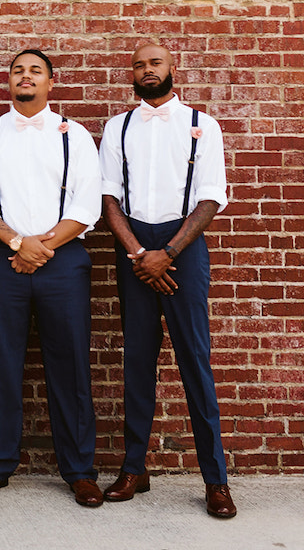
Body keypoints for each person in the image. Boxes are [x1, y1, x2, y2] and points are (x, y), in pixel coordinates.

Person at [0, 50, 104, 507]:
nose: (26, 76)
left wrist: (41, 246)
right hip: (4, 261)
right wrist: (19, 245)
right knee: (0, 362)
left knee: (71, 366)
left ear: (50, 82)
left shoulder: (75, 137)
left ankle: (79, 470)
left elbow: (86, 206)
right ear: (9, 81)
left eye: (35, 71)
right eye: (18, 70)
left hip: (62, 261)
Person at [99, 43, 236, 518]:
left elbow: (210, 199)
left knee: (195, 361)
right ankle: (133, 469)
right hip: (134, 250)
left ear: (172, 68)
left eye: (154, 63)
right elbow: (109, 198)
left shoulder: (203, 125)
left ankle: (215, 480)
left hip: (184, 249)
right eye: (138, 64)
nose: (146, 70)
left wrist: (169, 253)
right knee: (136, 362)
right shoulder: (117, 128)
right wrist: (139, 254)